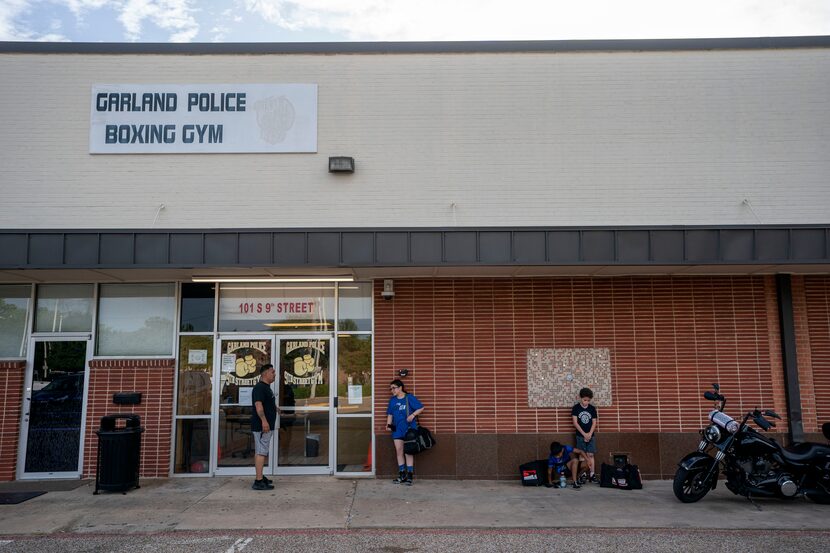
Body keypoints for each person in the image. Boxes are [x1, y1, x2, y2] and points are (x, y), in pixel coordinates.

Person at [386, 379, 424, 485]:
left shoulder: (409, 398)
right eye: (391, 388)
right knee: (399, 451)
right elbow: (390, 414)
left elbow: (421, 408)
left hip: (409, 429)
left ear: (400, 387)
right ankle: (402, 474)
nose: (392, 390)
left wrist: (412, 415)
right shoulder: (392, 400)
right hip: (397, 429)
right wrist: (388, 425)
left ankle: (410, 476)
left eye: (394, 388)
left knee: (408, 452)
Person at [251, 363, 277, 490]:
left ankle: (260, 476)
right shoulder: (260, 388)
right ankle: (258, 481)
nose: (274, 374)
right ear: (265, 373)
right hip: (262, 426)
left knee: (262, 451)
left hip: (266, 425)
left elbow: (266, 404)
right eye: (272, 372)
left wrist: (275, 409)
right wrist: (264, 421)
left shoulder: (266, 387)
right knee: (261, 452)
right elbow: (258, 405)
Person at [572, 387, 599, 483]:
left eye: (588, 400)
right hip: (580, 435)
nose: (586, 402)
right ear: (580, 398)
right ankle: (583, 474)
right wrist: (584, 434)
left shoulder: (592, 409)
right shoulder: (576, 408)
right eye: (584, 400)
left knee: (590, 454)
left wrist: (589, 434)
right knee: (582, 455)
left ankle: (592, 474)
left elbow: (594, 422)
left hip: (590, 435)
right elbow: (575, 423)